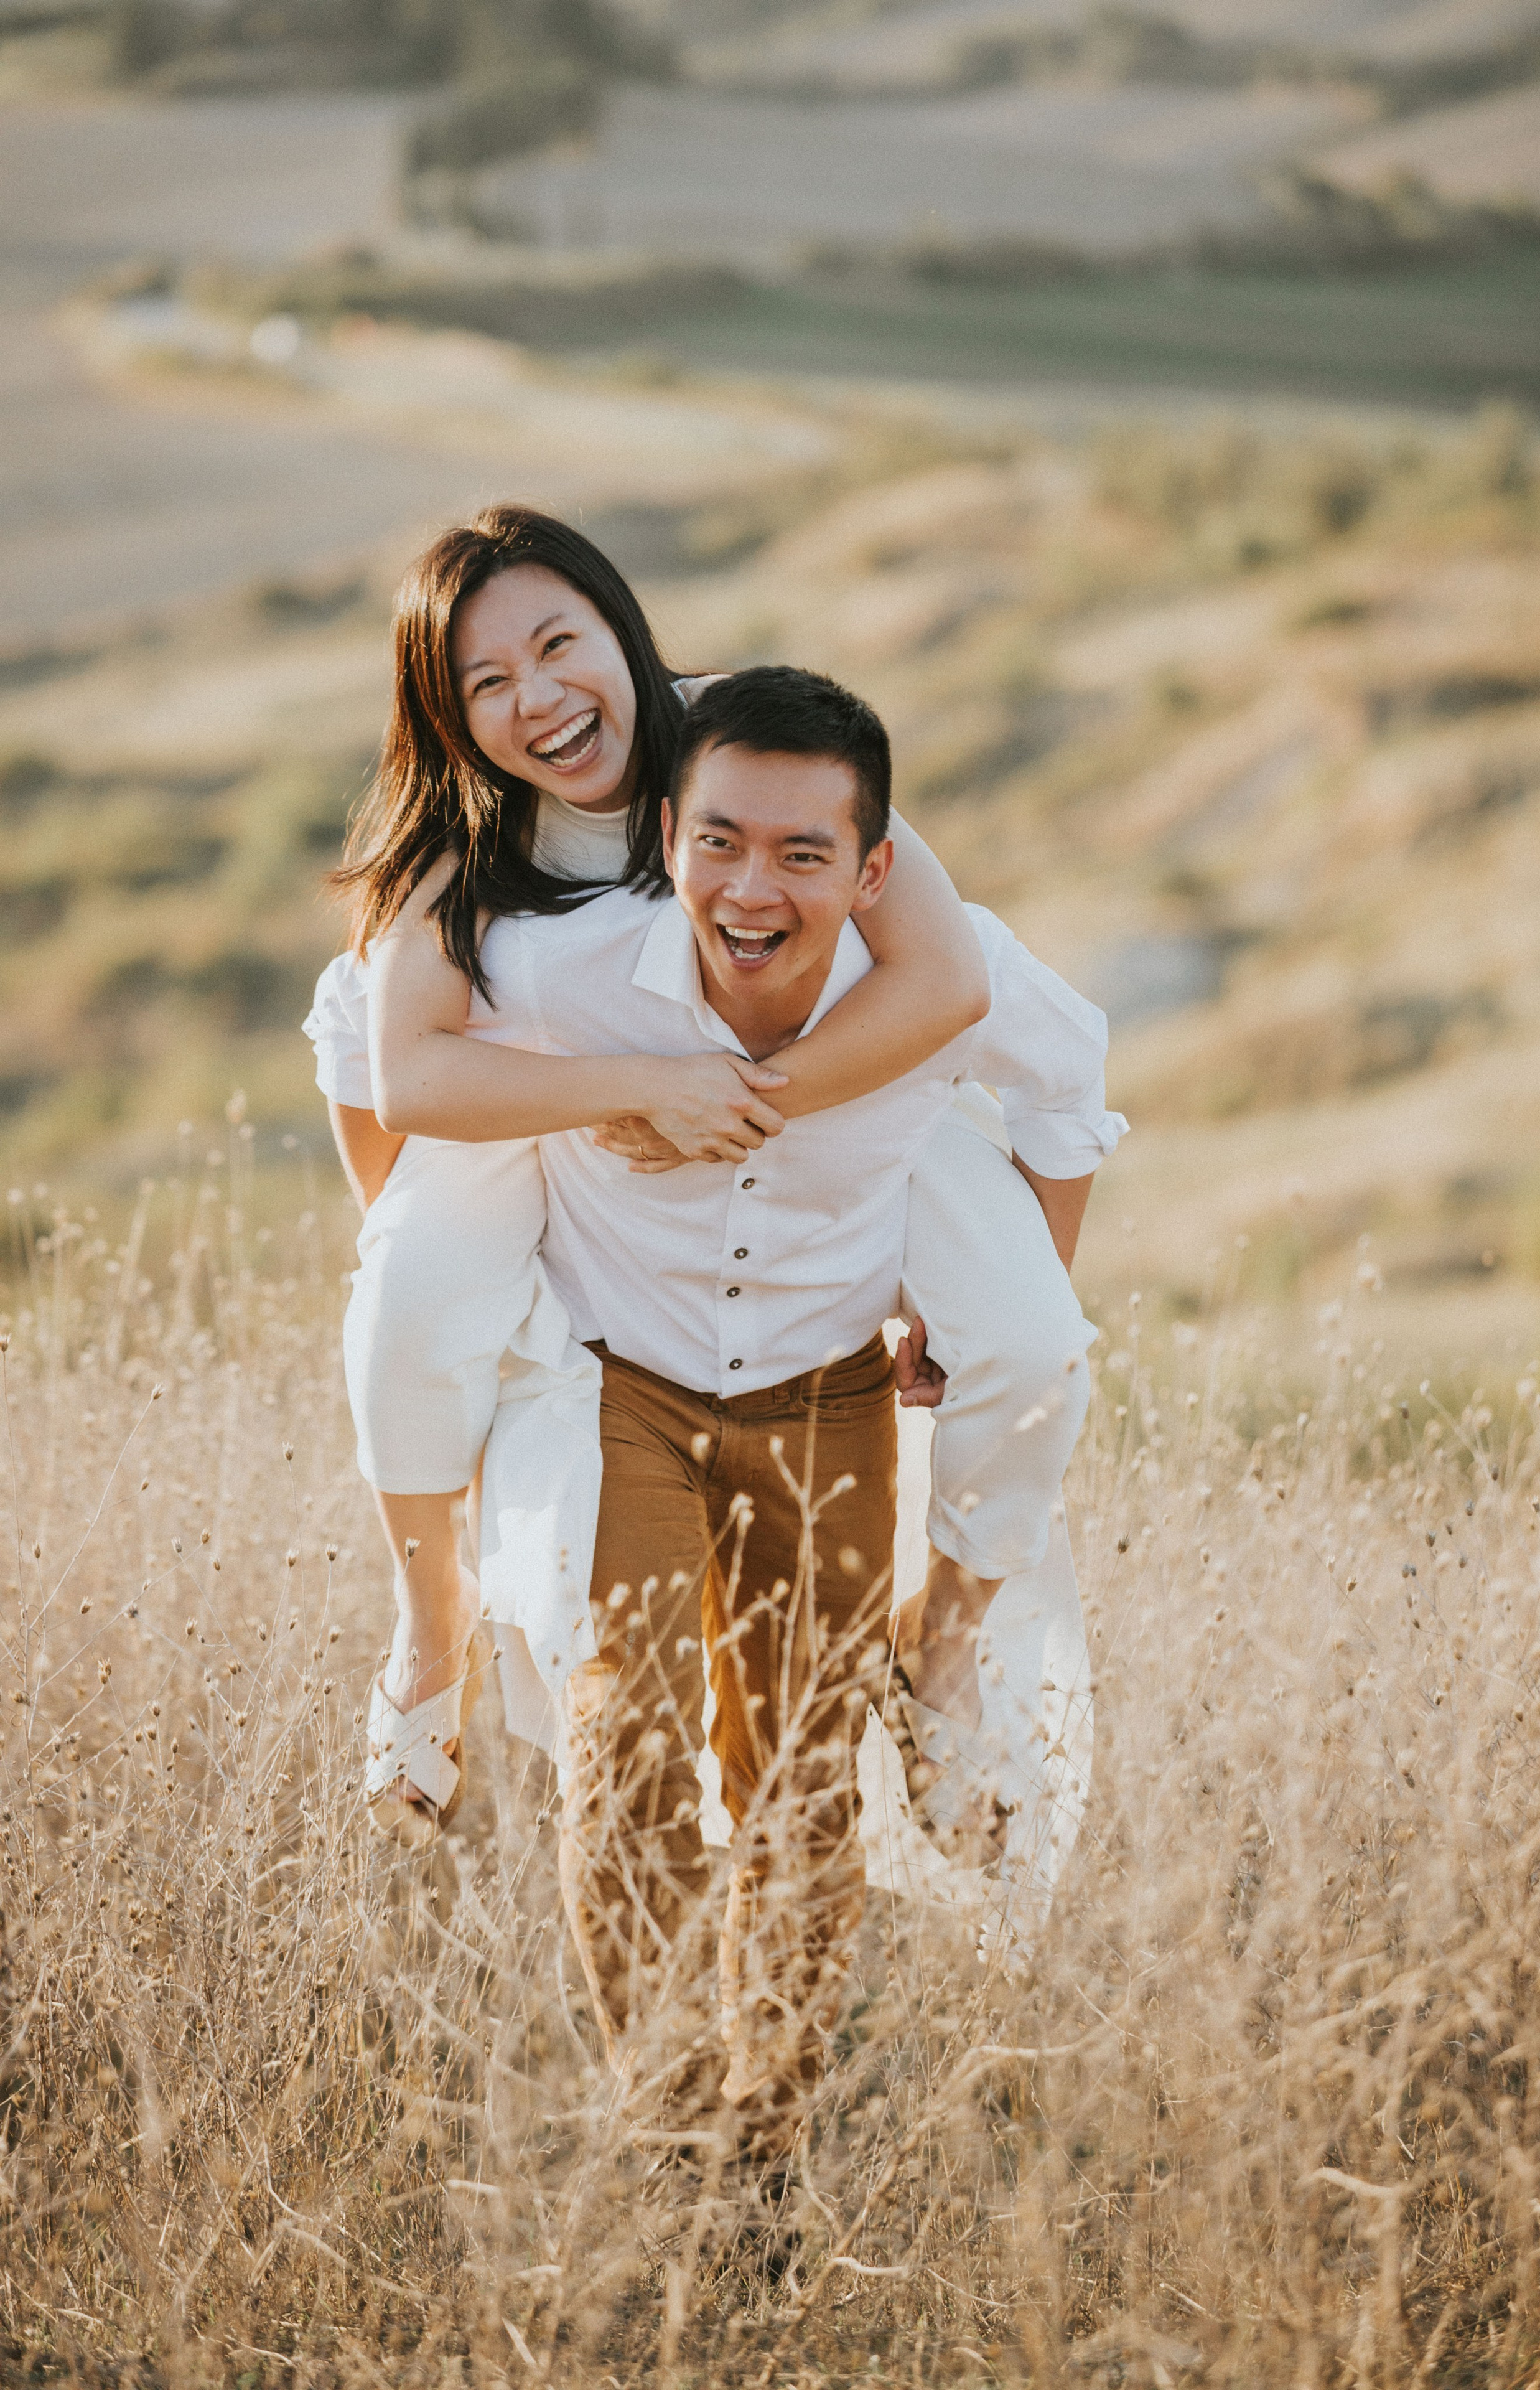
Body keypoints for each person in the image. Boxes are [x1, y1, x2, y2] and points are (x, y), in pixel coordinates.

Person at [305, 505, 1121, 1855]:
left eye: (559, 645)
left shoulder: (748, 747)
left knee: (1035, 1342)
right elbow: (381, 1074)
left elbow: (947, 979)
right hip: (556, 1113)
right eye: (485, 686)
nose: (540, 701)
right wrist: (613, 1124)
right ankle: (429, 1620)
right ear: (447, 722)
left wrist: (738, 1113)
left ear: (620, 628)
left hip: (834, 1092)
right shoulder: (463, 841)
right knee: (409, 1285)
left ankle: (947, 1649)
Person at [408, 665, 1118, 2145]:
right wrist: (396, 1250)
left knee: (798, 1778)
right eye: (720, 840)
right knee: (630, 1749)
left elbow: (1066, 1090)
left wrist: (984, 1293)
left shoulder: (946, 974)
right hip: (623, 1399)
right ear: (666, 831)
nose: (751, 886)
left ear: (871, 872)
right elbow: (382, 1036)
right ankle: (664, 2130)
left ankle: (764, 2158)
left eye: (803, 855)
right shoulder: (563, 975)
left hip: (825, 1403)